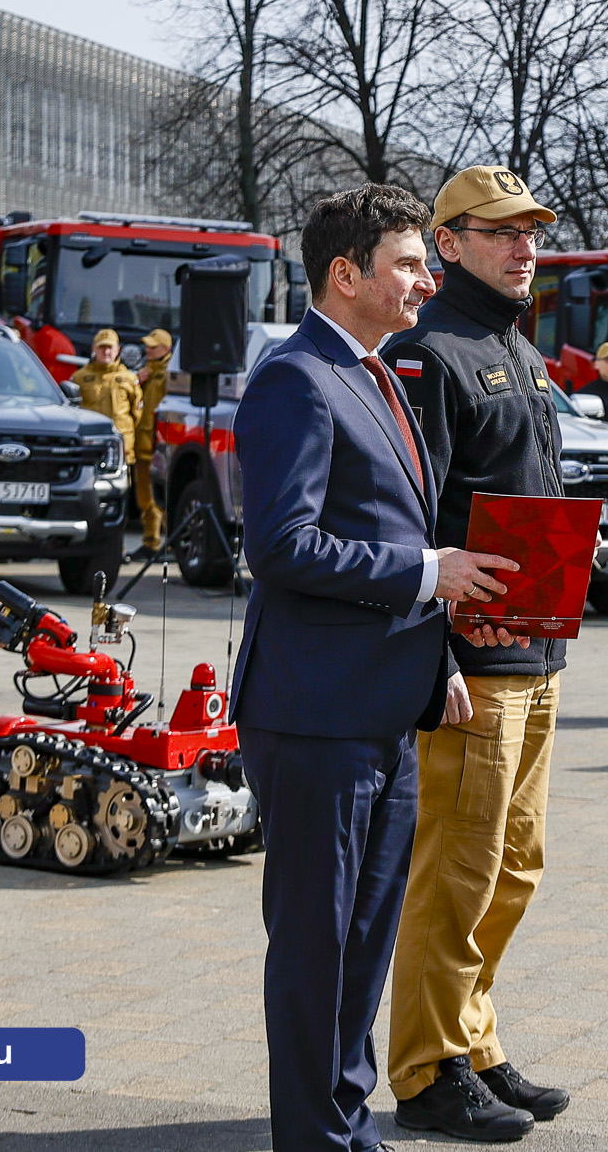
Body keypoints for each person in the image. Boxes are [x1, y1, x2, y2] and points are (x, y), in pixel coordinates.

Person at [230, 183, 514, 1152]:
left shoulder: (380, 373)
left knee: (362, 946)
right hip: (313, 716)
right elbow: (282, 547)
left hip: (382, 706)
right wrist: (428, 574)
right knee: (316, 948)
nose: (425, 280)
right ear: (344, 274)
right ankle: (313, 1138)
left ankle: (346, 1128)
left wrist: (432, 664)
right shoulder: (295, 379)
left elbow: (382, 525)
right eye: (405, 263)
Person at [384, 165, 571, 1138]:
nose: (522, 244)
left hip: (535, 659)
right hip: (470, 671)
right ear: (448, 243)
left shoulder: (516, 349)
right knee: (453, 873)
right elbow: (413, 526)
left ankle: (471, 1039)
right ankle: (423, 1070)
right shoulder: (432, 354)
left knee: (514, 867)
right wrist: (435, 658)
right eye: (500, 231)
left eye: (530, 230)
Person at [76, 328, 143, 465]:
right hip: (90, 444)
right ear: (94, 348)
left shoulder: (129, 379)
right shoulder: (79, 378)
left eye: (110, 347)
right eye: (102, 347)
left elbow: (137, 413)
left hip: (121, 446)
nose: (106, 352)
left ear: (118, 350)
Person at [132, 327, 172, 555]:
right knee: (145, 497)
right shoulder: (147, 372)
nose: (148, 350)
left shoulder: (167, 374)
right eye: (147, 346)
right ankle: (152, 540)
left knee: (158, 497)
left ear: (165, 349)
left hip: (157, 444)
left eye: (153, 347)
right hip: (142, 443)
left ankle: (163, 541)